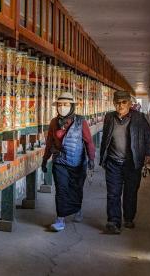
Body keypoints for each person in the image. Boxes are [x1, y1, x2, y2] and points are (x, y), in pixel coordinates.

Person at [100, 90, 150, 234]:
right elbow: (105, 138)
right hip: (113, 162)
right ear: (113, 103)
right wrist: (103, 158)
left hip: (132, 163)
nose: (120, 105)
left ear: (130, 104)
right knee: (113, 193)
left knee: (130, 192)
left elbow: (149, 137)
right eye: (117, 102)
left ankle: (129, 218)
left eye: (124, 102)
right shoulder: (109, 118)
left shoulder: (139, 118)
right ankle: (113, 221)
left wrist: (149, 154)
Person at [42, 92, 96, 231]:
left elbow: (88, 141)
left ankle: (77, 209)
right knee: (61, 190)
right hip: (60, 162)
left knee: (76, 188)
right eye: (60, 105)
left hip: (78, 162)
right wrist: (45, 159)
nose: (62, 107)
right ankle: (60, 219)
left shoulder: (80, 121)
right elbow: (49, 142)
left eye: (65, 104)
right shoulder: (54, 122)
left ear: (71, 106)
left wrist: (91, 159)